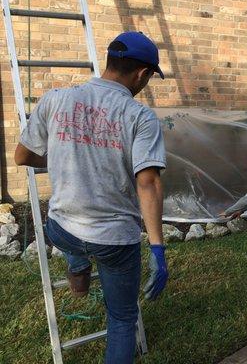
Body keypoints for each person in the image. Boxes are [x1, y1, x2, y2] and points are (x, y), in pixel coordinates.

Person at [15, 31, 168, 364]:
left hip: (62, 229)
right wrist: (157, 249)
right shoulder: (139, 117)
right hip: (113, 241)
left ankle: (78, 273)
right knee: (123, 318)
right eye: (148, 78)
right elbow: (148, 183)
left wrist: (59, 156)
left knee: (71, 238)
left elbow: (22, 157)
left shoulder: (55, 99)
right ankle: (81, 266)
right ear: (142, 74)